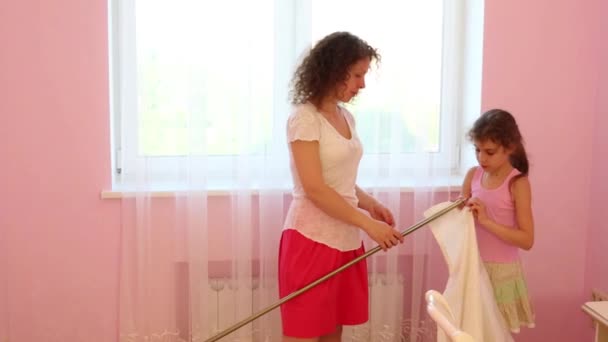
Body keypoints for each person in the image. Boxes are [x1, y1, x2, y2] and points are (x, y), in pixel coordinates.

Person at [278, 31, 404, 342]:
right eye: (358, 75)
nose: (362, 84)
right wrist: (368, 225)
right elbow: (315, 188)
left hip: (345, 239)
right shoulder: (305, 119)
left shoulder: (345, 116)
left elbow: (340, 179)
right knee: (305, 334)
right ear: (335, 70)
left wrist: (369, 203)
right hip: (311, 240)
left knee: (334, 334)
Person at [460, 109, 536, 333]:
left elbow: (527, 240)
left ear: (509, 148)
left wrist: (485, 221)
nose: (481, 158)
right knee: (470, 333)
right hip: (473, 267)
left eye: (489, 152)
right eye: (477, 150)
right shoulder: (472, 175)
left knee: (495, 334)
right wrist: (459, 211)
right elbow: (463, 220)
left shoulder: (517, 183)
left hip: (501, 275)